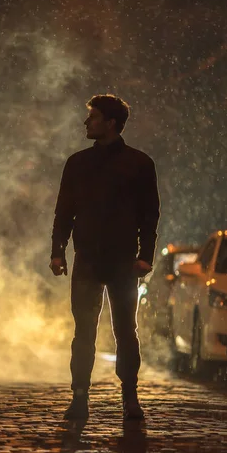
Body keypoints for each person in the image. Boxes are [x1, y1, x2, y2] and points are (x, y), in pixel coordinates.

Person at [50, 94, 160, 420]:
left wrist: (145, 256)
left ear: (110, 123)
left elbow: (149, 215)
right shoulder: (78, 163)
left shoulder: (139, 164)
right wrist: (58, 251)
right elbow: (64, 213)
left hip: (123, 260)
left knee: (125, 330)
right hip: (87, 257)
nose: (87, 122)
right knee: (84, 331)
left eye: (93, 117)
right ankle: (80, 397)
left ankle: (129, 397)